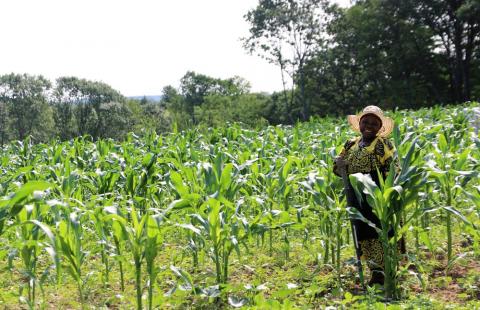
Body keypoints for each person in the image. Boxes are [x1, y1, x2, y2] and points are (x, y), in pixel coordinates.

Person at [333, 105, 401, 286]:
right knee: (363, 234)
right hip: (356, 196)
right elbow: (338, 170)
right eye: (365, 122)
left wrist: (388, 193)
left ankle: (384, 273)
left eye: (374, 123)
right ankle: (374, 272)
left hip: (376, 195)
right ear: (359, 123)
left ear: (380, 127)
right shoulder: (350, 144)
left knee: (379, 232)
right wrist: (339, 163)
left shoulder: (382, 144)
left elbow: (394, 169)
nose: (369, 126)